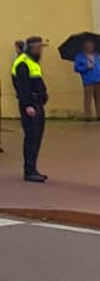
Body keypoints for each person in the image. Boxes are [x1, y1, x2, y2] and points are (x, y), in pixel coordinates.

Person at [12, 37, 49, 183]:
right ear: (32, 48)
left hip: (37, 104)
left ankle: (33, 168)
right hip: (30, 105)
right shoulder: (22, 63)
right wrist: (28, 105)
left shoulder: (33, 62)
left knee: (37, 137)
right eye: (39, 47)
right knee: (31, 138)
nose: (40, 50)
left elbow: (37, 81)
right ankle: (29, 170)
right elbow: (22, 87)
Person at [73, 39, 100, 121]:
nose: (90, 47)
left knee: (99, 98)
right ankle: (88, 115)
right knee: (88, 98)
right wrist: (86, 67)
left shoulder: (96, 55)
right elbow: (76, 68)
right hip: (88, 80)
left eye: (91, 45)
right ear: (85, 47)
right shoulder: (80, 56)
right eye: (88, 45)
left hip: (98, 79)